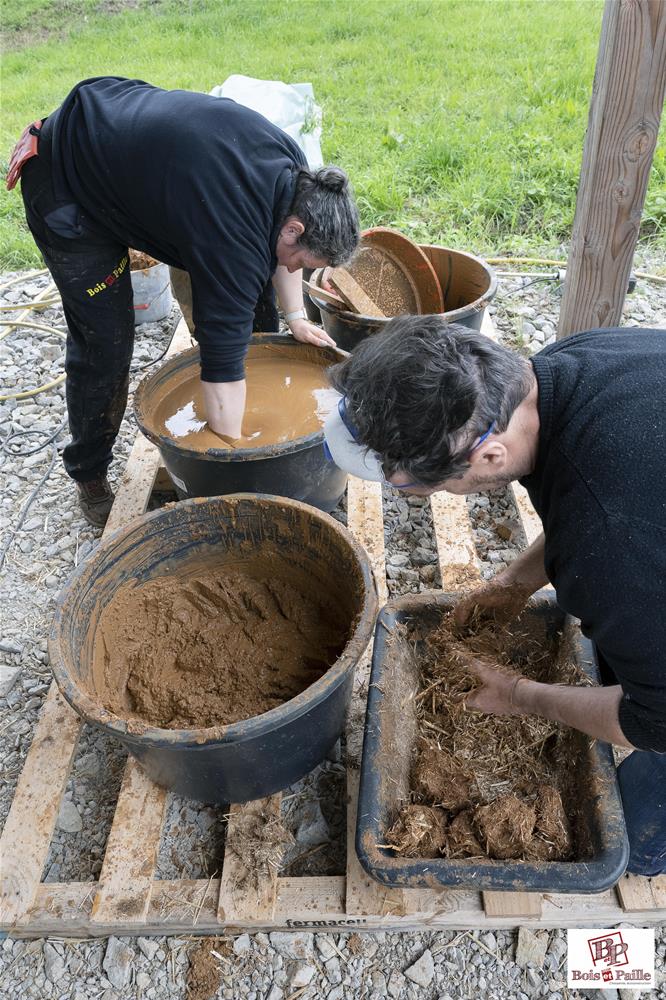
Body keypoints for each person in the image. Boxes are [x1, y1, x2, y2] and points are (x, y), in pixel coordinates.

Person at [324, 316, 666, 875]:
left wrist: (519, 694)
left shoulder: (606, 544)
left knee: (637, 833)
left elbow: (658, 724)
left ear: (488, 458)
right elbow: (600, 499)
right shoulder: (567, 368)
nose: (413, 491)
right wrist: (515, 582)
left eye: (415, 483)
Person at [7, 76, 359, 526]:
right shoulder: (232, 239)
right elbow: (223, 361)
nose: (295, 270)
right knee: (107, 345)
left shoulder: (300, 178)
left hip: (142, 161)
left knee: (258, 313)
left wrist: (293, 316)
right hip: (70, 179)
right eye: (301, 260)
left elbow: (280, 261)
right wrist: (236, 450)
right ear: (294, 228)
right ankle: (88, 470)